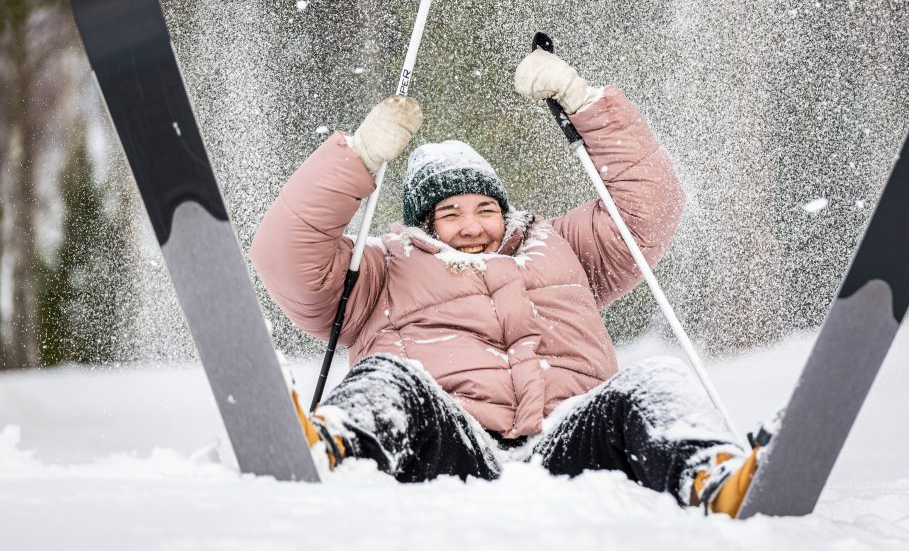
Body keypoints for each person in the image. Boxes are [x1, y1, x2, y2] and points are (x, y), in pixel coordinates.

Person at [250, 48, 759, 514]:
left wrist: (584, 103)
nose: (472, 225)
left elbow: (649, 208)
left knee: (656, 381)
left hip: (570, 442)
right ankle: (331, 451)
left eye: (486, 208)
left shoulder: (560, 245)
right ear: (423, 223)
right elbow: (284, 256)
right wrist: (358, 156)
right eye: (450, 213)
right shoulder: (382, 266)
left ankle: (716, 479)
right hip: (449, 448)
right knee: (390, 377)